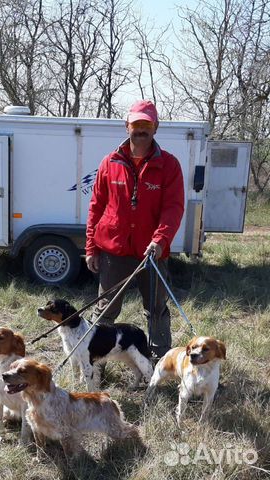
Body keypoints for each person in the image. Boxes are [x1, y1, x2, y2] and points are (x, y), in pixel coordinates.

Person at [85, 99, 184, 359]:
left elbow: (173, 208)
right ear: (126, 126)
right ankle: (96, 362)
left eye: (146, 124)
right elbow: (96, 206)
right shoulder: (110, 162)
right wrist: (91, 247)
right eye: (136, 124)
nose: (141, 129)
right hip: (113, 253)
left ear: (156, 127)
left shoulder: (170, 165)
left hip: (152, 253)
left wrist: (160, 240)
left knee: (157, 309)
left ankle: (160, 363)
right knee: (105, 309)